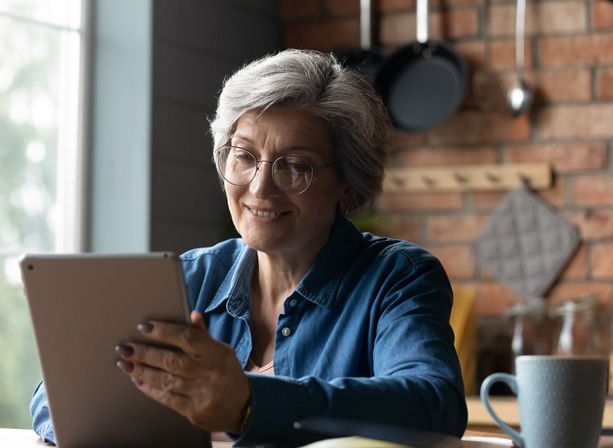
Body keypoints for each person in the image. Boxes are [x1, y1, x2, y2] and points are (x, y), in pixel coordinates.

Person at [29, 49, 467, 447]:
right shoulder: (188, 278)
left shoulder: (398, 277)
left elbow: (433, 404)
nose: (260, 188)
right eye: (244, 156)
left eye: (295, 166)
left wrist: (247, 402)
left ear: (348, 186)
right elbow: (53, 400)